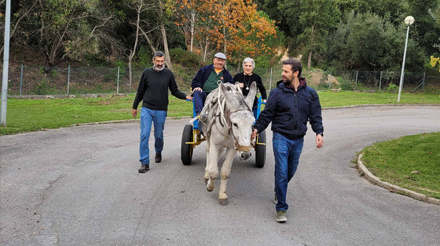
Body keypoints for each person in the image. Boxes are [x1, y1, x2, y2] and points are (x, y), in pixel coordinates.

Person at [251, 58, 324, 223]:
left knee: (290, 170)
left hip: (298, 139)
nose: (282, 74)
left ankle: (279, 189)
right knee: (282, 172)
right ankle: (281, 208)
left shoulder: (310, 94)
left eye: (286, 71)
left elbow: (315, 116)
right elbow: (267, 114)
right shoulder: (277, 93)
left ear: (296, 73)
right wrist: (256, 128)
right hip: (280, 137)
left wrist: (319, 132)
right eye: (282, 71)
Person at [132, 51, 192, 173]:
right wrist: (135, 106)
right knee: (144, 135)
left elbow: (174, 90)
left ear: (164, 61)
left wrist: (185, 96)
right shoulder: (146, 73)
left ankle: (158, 151)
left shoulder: (168, 74)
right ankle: (144, 162)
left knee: (158, 135)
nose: (160, 64)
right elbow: (140, 91)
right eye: (157, 61)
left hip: (161, 110)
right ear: (153, 60)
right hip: (147, 108)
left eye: (162, 61)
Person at [191, 52, 234, 118]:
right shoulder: (204, 70)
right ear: (214, 60)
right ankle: (200, 114)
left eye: (222, 61)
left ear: (224, 62)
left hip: (219, 98)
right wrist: (197, 86)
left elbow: (231, 85)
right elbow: (195, 81)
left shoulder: (227, 74)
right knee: (197, 92)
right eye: (218, 60)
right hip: (205, 95)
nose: (220, 62)